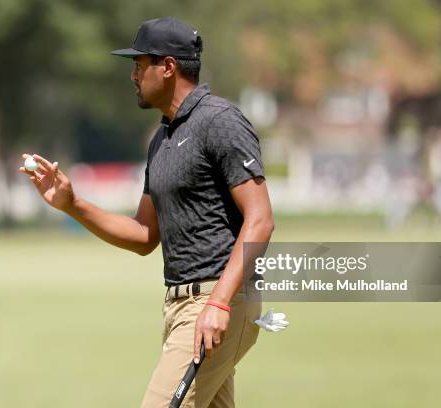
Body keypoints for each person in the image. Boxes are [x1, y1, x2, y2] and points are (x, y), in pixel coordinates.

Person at [19, 16, 274, 408]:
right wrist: (73, 204)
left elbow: (260, 220)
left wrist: (219, 303)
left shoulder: (220, 121)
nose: (133, 76)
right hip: (180, 307)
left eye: (140, 65)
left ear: (168, 67)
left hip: (216, 301)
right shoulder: (163, 139)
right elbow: (143, 234)